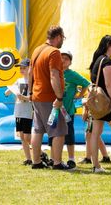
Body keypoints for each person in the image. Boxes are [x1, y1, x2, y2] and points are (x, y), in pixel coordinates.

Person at [29, 25, 72, 170]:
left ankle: (36, 161)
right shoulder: (54, 52)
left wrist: (30, 93)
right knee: (59, 130)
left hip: (36, 95)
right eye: (63, 38)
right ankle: (57, 163)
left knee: (38, 130)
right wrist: (59, 98)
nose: (63, 41)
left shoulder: (37, 50)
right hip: (49, 98)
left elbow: (30, 73)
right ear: (58, 37)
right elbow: (54, 75)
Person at [89, 35, 111, 173]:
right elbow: (109, 85)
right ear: (108, 45)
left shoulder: (97, 59)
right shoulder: (107, 61)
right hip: (107, 103)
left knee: (95, 133)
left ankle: (95, 165)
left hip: (98, 103)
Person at [61, 50, 90, 169]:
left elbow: (86, 84)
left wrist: (79, 95)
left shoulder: (72, 74)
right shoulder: (53, 72)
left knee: (69, 134)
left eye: (66, 59)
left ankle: (71, 158)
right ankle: (55, 158)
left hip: (68, 110)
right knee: (54, 135)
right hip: (54, 110)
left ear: (70, 62)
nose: (63, 60)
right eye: (61, 58)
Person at [4, 58, 33, 165]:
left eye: (24, 68)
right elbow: (8, 91)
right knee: (21, 136)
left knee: (27, 137)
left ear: (30, 68)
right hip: (19, 111)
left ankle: (40, 154)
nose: (22, 70)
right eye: (20, 68)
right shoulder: (19, 80)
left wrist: (23, 97)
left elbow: (34, 98)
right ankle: (28, 159)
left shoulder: (33, 82)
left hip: (28, 112)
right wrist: (9, 91)